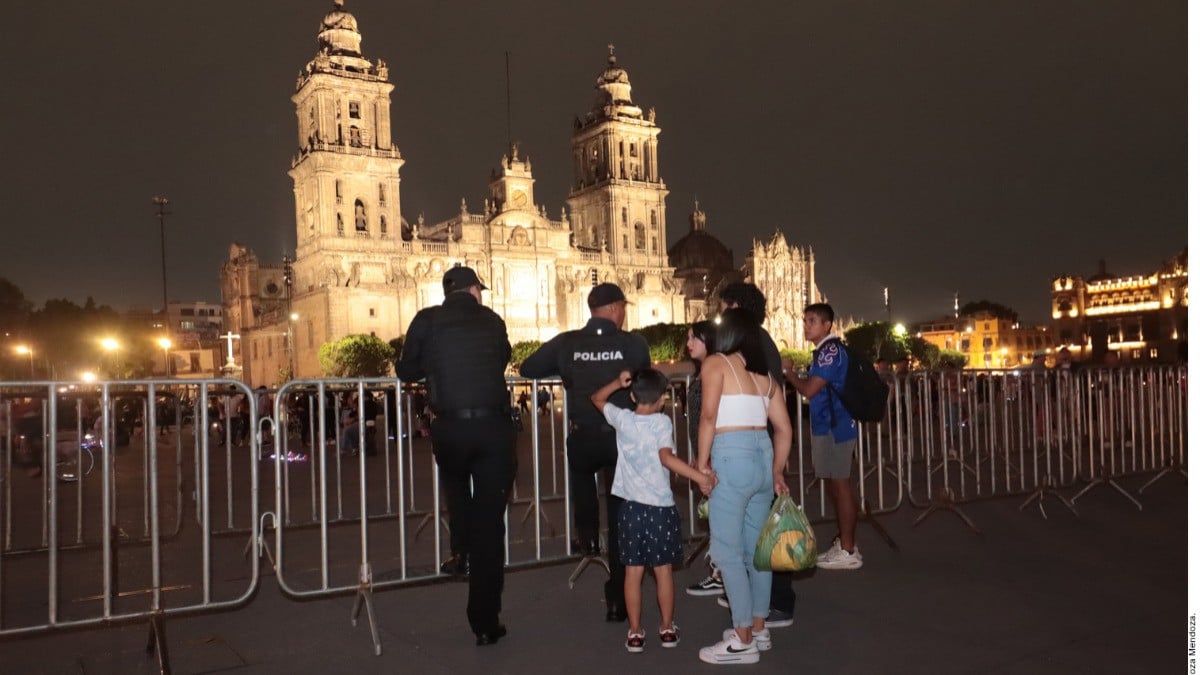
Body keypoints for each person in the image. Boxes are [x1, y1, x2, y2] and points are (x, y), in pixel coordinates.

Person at [519, 282, 651, 623]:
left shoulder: (568, 343)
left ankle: (587, 535)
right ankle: (618, 598)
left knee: (581, 476)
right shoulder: (633, 344)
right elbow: (644, 377)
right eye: (623, 306)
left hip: (583, 437)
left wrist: (568, 370)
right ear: (613, 309)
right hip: (621, 439)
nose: (624, 313)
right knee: (621, 514)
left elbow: (529, 368)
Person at [398, 266, 516, 646]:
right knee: (491, 521)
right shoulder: (492, 320)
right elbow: (501, 359)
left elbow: (406, 370)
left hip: (449, 428)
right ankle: (484, 619)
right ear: (472, 290)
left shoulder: (426, 320)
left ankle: (460, 550)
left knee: (455, 488)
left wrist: (433, 370)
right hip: (493, 429)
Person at [590, 368, 714, 653]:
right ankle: (667, 628)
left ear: (632, 396)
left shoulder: (623, 419)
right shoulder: (661, 423)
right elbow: (666, 458)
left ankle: (635, 632)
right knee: (663, 571)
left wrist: (616, 382)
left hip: (631, 509)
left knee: (632, 573)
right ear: (662, 399)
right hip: (659, 508)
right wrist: (700, 478)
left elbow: (596, 399)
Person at [694, 307, 792, 665]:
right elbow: (784, 429)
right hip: (762, 459)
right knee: (757, 550)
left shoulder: (717, 364)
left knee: (726, 552)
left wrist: (702, 465)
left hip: (730, 456)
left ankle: (743, 638)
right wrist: (778, 470)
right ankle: (759, 625)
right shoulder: (765, 377)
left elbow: (708, 416)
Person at [716, 282, 794, 626]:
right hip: (763, 446)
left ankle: (760, 616)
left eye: (723, 307)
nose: (719, 314)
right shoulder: (761, 342)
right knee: (756, 539)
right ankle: (759, 612)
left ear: (735, 308)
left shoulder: (748, 346)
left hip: (744, 449)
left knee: (750, 542)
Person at [782, 302, 863, 571]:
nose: (806, 325)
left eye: (812, 321)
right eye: (805, 320)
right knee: (834, 486)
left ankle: (849, 550)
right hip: (826, 426)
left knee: (841, 487)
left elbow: (809, 390)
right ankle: (844, 544)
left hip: (836, 427)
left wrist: (789, 373)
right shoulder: (822, 352)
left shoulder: (830, 352)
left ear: (827, 325)